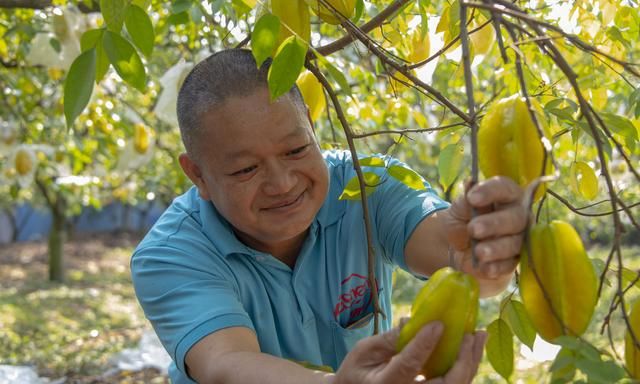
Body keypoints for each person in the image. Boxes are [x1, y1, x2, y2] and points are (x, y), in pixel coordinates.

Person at [131, 48, 527, 384]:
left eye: (296, 150)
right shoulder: (170, 254)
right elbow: (226, 364)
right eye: (245, 170)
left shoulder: (368, 186)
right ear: (197, 174)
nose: (282, 184)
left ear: (313, 128)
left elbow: (457, 256)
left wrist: (485, 248)